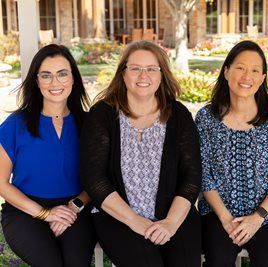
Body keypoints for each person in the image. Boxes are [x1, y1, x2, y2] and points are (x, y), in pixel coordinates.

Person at [80, 40, 202, 267]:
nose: (142, 75)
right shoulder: (103, 115)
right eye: (135, 68)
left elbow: (192, 176)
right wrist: (135, 221)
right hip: (118, 217)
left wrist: (171, 223)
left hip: (173, 215)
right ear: (123, 74)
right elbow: (94, 179)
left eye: (151, 69)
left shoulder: (178, 115)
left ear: (161, 74)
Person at [195, 40, 268, 267]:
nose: (246, 76)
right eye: (240, 68)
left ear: (262, 78)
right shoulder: (206, 119)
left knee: (267, 262)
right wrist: (225, 218)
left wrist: (258, 217)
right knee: (218, 261)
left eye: (254, 70)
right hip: (219, 213)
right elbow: (204, 174)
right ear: (226, 71)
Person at [0, 44, 96, 267]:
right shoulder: (15, 124)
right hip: (25, 210)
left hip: (76, 208)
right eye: (46, 75)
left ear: (73, 78)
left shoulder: (90, 124)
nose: (55, 82)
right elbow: (1, 183)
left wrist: (74, 206)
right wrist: (46, 214)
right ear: (37, 81)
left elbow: (100, 177)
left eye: (62, 74)